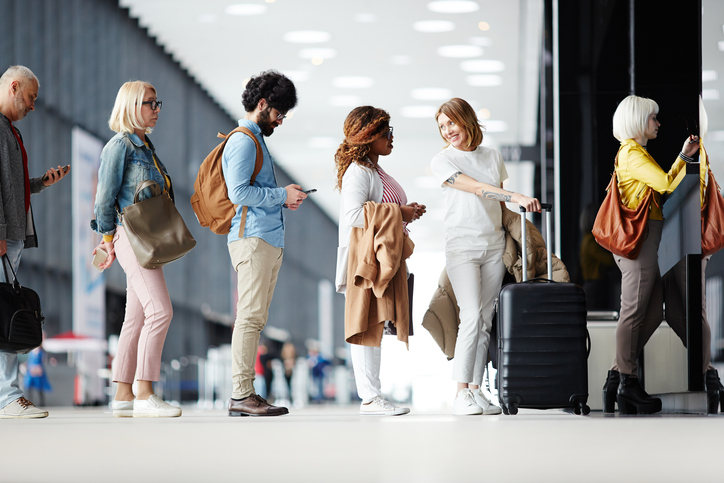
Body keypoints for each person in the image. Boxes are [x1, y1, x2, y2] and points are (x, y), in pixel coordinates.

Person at [430, 98, 540, 416]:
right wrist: (515, 195)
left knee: (486, 319)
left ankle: (476, 390)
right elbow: (478, 189)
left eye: (451, 122)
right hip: (462, 247)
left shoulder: (492, 156)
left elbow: (499, 207)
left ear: (466, 120)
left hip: (493, 246)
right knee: (471, 316)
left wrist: (518, 222)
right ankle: (460, 392)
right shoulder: (443, 161)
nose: (448, 130)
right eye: (442, 126)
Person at [600, 94, 699, 415]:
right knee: (632, 311)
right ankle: (627, 382)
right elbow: (666, 184)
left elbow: (662, 184)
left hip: (646, 243)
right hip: (637, 244)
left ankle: (617, 377)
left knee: (654, 312)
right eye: (653, 118)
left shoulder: (635, 153)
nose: (658, 123)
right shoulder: (631, 153)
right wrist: (684, 157)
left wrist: (682, 156)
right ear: (639, 121)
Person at [91, 80, 181, 418]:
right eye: (149, 103)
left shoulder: (146, 147)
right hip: (130, 234)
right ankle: (145, 392)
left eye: (158, 103)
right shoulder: (120, 146)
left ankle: (123, 395)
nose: (156, 110)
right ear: (130, 105)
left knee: (137, 316)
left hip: (147, 237)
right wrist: (106, 239)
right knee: (161, 311)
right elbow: (104, 198)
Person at [224, 70, 306, 417]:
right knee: (249, 317)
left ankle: (246, 393)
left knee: (255, 318)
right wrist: (280, 194)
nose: (281, 120)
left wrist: (282, 199)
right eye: (278, 113)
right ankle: (241, 393)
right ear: (262, 104)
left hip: (265, 239)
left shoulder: (257, 140)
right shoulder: (243, 140)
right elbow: (238, 192)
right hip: (252, 237)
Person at [335, 105, 424, 416]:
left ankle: (374, 396)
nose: (391, 138)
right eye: (386, 133)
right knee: (366, 325)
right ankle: (370, 398)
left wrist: (407, 211)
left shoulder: (374, 170)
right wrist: (401, 213)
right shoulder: (358, 173)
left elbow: (379, 210)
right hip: (366, 261)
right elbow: (352, 215)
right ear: (368, 136)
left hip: (382, 258)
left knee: (376, 323)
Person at [0, 65, 70, 419]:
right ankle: (7, 397)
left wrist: (41, 183)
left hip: (11, 235)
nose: (32, 106)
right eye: (30, 98)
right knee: (5, 316)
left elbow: (10, 185)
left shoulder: (9, 131)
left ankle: (7, 396)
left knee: (5, 314)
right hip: (3, 237)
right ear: (14, 87)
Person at [663, 97, 724, 414]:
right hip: (678, 245)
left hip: (690, 245)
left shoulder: (696, 156)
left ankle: (709, 373)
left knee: (693, 310)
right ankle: (708, 372)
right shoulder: (692, 154)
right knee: (677, 312)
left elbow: (684, 196)